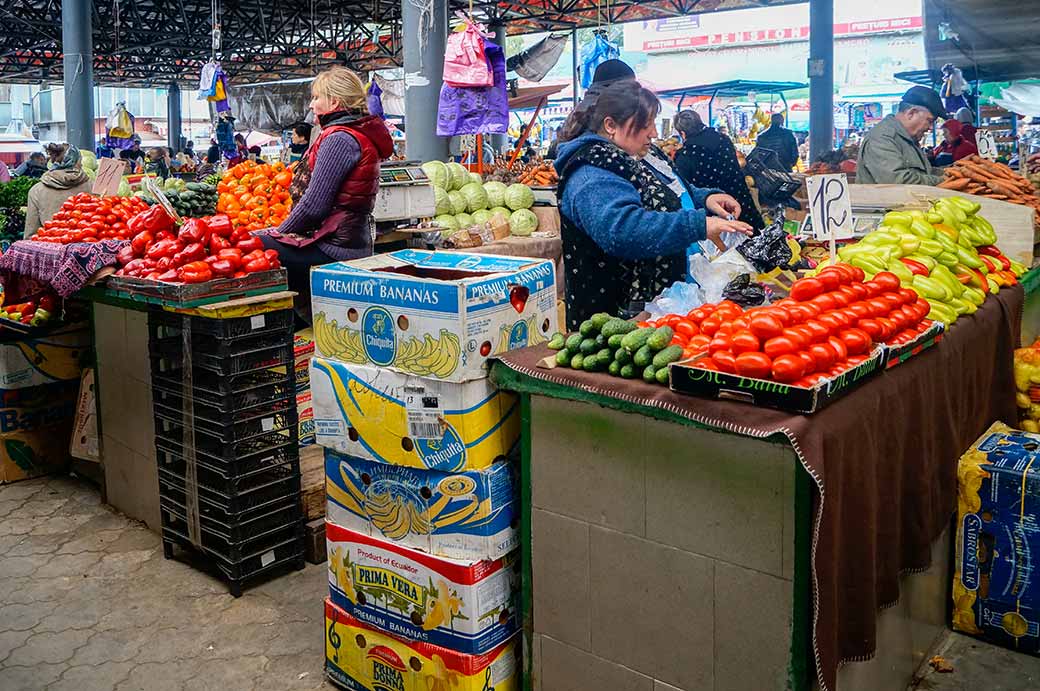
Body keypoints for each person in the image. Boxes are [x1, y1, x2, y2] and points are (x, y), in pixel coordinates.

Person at [554, 81, 752, 328]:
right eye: (645, 125)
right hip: (614, 321)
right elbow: (622, 230)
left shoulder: (637, 154)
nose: (654, 133)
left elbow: (666, 191)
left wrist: (705, 198)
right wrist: (697, 224)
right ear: (610, 125)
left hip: (663, 308)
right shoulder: (591, 173)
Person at [259, 66, 393, 322]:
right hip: (348, 240)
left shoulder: (339, 138)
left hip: (334, 247)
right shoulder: (357, 132)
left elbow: (314, 206)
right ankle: (304, 325)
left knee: (256, 245)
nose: (311, 105)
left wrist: (279, 231)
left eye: (316, 98)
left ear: (334, 101)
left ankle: (290, 333)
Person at [672, 110, 764, 231]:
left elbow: (686, 189)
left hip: (716, 214)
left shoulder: (685, 155)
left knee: (729, 249)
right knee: (756, 240)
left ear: (683, 134)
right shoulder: (724, 140)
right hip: (742, 203)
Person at [857, 86, 947, 185]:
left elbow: (923, 173)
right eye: (929, 121)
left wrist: (948, 172)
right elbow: (897, 181)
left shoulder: (908, 139)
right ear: (911, 113)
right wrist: (944, 181)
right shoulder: (882, 138)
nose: (930, 128)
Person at [24, 145, 93, 237]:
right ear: (77, 161)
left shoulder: (37, 190)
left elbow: (31, 233)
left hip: (51, 246)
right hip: (88, 246)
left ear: (52, 161)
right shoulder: (93, 186)